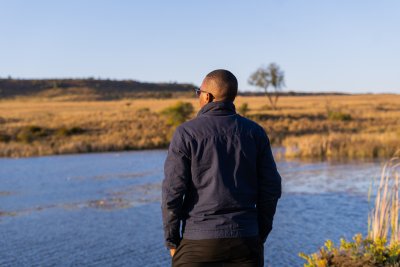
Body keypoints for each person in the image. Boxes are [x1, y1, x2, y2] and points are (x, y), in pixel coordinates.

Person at [161, 69, 282, 267]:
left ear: (207, 96)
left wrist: (172, 242)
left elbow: (172, 193)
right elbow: (272, 188)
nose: (198, 96)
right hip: (246, 240)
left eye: (198, 92)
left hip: (198, 242)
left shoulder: (185, 133)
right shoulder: (255, 132)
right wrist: (259, 232)